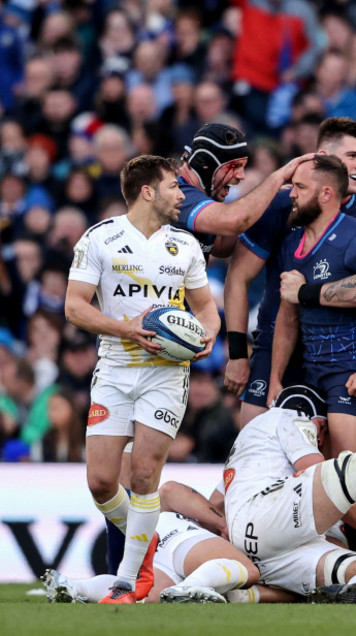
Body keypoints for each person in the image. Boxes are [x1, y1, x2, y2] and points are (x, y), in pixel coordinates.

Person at [65, 155, 221, 604]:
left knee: (144, 473)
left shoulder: (186, 246)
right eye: (174, 186)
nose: (181, 194)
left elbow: (206, 309)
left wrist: (206, 336)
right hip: (114, 367)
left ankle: (128, 582)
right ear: (147, 191)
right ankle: (144, 537)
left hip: (166, 373)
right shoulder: (101, 238)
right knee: (100, 481)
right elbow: (75, 306)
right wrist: (127, 328)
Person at [213, 384, 356, 604]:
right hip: (268, 520)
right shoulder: (289, 417)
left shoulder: (248, 452)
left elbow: (215, 502)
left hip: (258, 549)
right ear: (320, 425)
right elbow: (314, 470)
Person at [224, 117, 356, 426]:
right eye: (352, 155)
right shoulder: (283, 203)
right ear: (324, 156)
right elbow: (238, 278)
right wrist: (236, 353)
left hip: (342, 353)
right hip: (277, 340)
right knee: (253, 443)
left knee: (344, 454)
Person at [268, 155, 356, 456]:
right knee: (311, 481)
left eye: (300, 187)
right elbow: (287, 317)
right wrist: (276, 379)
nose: (291, 193)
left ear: (326, 194)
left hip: (349, 376)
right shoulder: (292, 244)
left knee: (350, 478)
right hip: (308, 376)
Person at [42, 481, 259, 604]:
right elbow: (169, 490)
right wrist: (222, 524)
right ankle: (190, 587)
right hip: (181, 536)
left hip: (157, 555)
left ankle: (77, 586)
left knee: (137, 595)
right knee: (249, 570)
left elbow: (169, 490)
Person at [175, 122, 315, 258]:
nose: (241, 176)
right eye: (234, 166)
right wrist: (278, 177)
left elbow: (221, 247)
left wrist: (263, 201)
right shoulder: (178, 192)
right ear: (206, 164)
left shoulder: (202, 195)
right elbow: (234, 221)